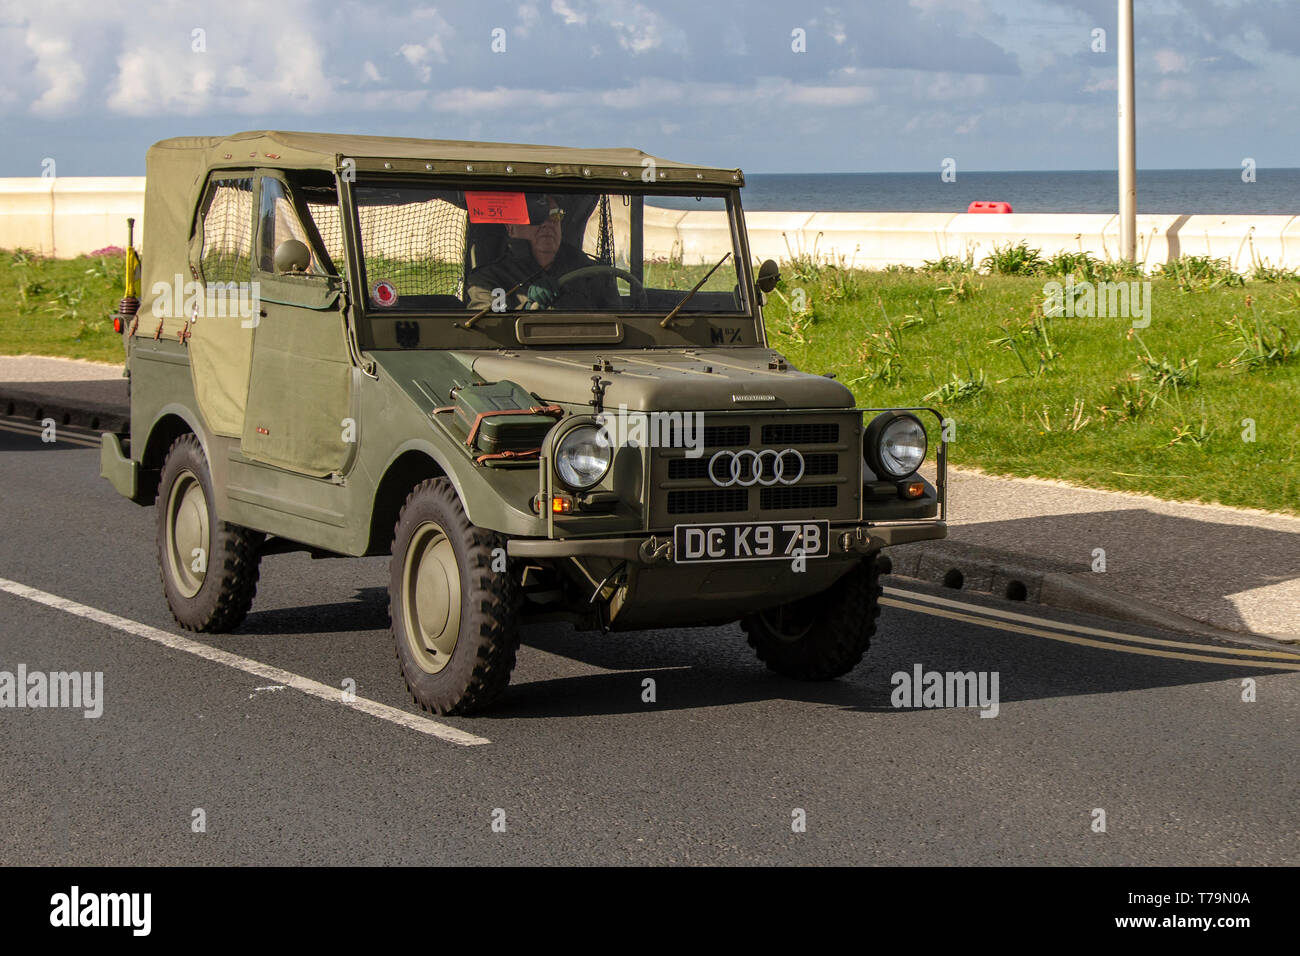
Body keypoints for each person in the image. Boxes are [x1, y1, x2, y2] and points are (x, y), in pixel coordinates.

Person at [465, 195, 620, 312]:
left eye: (555, 215)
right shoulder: (488, 280)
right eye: (535, 216)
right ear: (511, 228)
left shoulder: (591, 274)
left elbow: (622, 322)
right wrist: (526, 308)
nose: (548, 223)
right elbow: (485, 331)